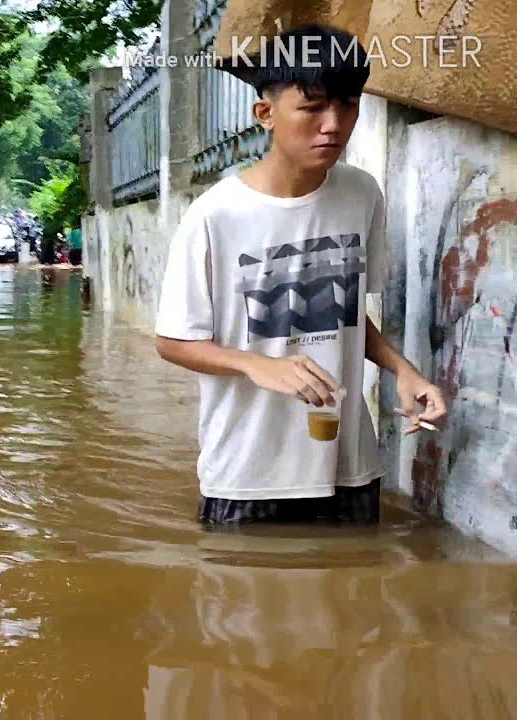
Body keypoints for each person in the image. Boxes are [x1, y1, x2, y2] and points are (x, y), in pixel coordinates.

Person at [153, 24, 447, 525]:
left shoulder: (361, 194)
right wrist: (256, 364)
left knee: (351, 596)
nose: (333, 124)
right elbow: (172, 341)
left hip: (349, 467)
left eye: (348, 104)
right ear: (265, 114)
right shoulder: (216, 215)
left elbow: (344, 312)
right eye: (311, 108)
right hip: (247, 474)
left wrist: (402, 369)